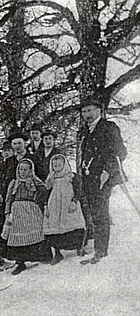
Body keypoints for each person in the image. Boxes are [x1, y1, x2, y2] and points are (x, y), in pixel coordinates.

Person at [79, 98, 127, 264]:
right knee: (94, 213)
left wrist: (107, 171)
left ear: (99, 110)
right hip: (88, 178)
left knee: (100, 214)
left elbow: (120, 152)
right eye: (84, 112)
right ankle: (98, 249)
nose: (87, 115)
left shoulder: (108, 127)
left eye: (90, 110)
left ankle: (101, 251)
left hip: (103, 178)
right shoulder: (85, 130)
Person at [4, 159, 52, 275]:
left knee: (36, 232)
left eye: (26, 169)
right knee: (18, 236)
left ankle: (41, 256)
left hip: (31, 209)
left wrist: (37, 200)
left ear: (30, 170)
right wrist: (7, 213)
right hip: (17, 210)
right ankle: (20, 263)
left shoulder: (34, 181)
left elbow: (44, 190)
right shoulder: (14, 182)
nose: (23, 172)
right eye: (21, 169)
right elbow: (9, 199)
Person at [43, 154, 86, 264]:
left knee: (74, 224)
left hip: (69, 205)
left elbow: (78, 190)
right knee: (55, 227)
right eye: (55, 166)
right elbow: (46, 192)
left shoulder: (71, 176)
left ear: (65, 165)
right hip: (54, 205)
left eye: (59, 165)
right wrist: (45, 206)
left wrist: (75, 201)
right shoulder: (51, 178)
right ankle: (57, 253)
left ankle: (79, 248)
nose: (57, 168)